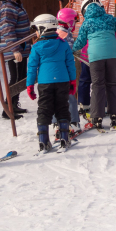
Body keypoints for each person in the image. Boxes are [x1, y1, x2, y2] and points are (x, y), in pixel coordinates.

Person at [73, 0, 116, 130]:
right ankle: (114, 115)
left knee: (97, 85)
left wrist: (71, 50)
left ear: (85, 11)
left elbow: (80, 42)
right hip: (112, 55)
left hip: (95, 56)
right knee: (112, 84)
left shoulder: (87, 23)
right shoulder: (110, 19)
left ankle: (97, 117)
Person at [26, 14, 76, 151]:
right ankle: (65, 138)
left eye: (37, 29)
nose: (36, 32)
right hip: (62, 81)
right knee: (62, 108)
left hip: (45, 82)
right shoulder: (63, 44)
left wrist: (30, 85)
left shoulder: (36, 47)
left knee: (44, 109)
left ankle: (43, 141)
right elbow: (70, 64)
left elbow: (32, 68)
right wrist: (72, 81)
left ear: (43, 28)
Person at [0, 0, 30, 119]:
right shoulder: (8, 7)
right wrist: (15, 50)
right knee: (15, 78)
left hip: (21, 48)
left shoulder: (16, 5)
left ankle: (13, 104)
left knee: (21, 78)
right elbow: (7, 29)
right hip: (14, 50)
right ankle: (7, 109)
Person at [56, 8, 81, 136]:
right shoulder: (66, 34)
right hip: (64, 71)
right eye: (74, 22)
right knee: (70, 96)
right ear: (70, 21)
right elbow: (69, 51)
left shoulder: (55, 31)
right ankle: (73, 122)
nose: (75, 25)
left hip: (54, 72)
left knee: (56, 97)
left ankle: (57, 123)